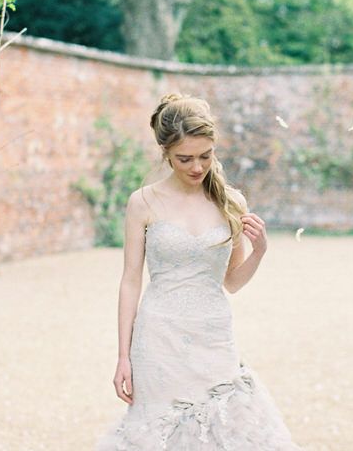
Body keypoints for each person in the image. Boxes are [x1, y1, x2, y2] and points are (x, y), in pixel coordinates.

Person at [95, 93, 302, 450]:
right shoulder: (142, 202)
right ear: (165, 154)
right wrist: (122, 356)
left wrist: (260, 251)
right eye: (184, 159)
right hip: (158, 338)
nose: (196, 167)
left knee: (225, 431)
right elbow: (130, 281)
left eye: (205, 156)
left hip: (213, 335)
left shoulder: (231, 202)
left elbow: (232, 282)